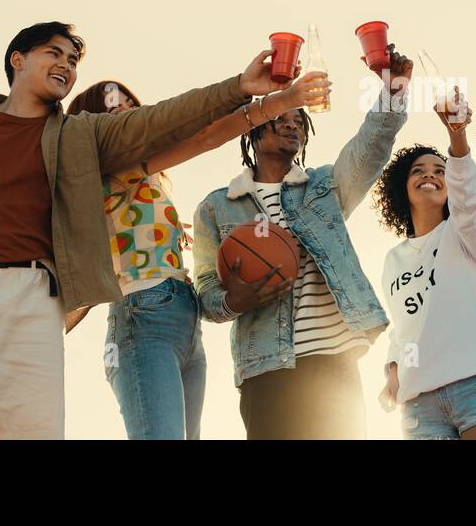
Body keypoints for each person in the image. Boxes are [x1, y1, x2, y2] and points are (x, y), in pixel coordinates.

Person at [0, 21, 289, 439]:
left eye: (73, 60)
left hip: (40, 296)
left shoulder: (79, 138)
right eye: (54, 53)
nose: (66, 66)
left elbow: (168, 122)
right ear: (18, 59)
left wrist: (244, 89)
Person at [68, 71, 328, 439]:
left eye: (132, 106)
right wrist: (279, 101)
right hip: (142, 315)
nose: (129, 115)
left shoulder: (150, 183)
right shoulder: (112, 169)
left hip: (185, 318)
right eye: (115, 109)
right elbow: (204, 137)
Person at [192, 44, 413, 439]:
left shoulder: (324, 187)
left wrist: (391, 94)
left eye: (299, 120)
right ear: (254, 129)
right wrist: (233, 301)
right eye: (281, 117)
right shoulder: (216, 209)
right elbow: (207, 294)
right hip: (264, 367)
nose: (293, 125)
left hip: (332, 361)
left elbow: (370, 148)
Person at [374, 87, 476, 439]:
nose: (430, 174)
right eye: (418, 171)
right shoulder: (393, 261)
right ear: (402, 188)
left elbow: (468, 194)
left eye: (440, 170)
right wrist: (393, 375)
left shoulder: (464, 232)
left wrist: (457, 137)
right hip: (418, 404)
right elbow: (404, 327)